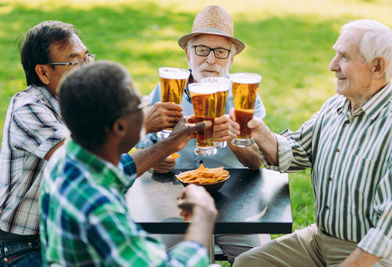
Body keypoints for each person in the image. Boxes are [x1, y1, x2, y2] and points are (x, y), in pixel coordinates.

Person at [234, 19, 392, 267]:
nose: (332, 66)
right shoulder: (335, 106)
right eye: (334, 54)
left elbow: (386, 231)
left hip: (373, 255)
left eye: (344, 57)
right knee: (249, 263)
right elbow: (298, 152)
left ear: (377, 67)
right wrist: (262, 135)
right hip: (319, 240)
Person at [39, 60, 217, 266]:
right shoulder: (99, 207)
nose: (146, 110)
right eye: (140, 105)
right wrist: (203, 218)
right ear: (120, 127)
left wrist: (172, 143)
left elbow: (123, 168)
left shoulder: (67, 158)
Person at [137, 4, 269, 263]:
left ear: (231, 59)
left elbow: (257, 162)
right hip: (175, 197)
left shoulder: (244, 96)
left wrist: (233, 137)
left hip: (234, 197)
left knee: (261, 258)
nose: (210, 60)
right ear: (188, 54)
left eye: (220, 52)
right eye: (202, 50)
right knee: (170, 257)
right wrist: (158, 162)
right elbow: (144, 149)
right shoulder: (166, 92)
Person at [0, 20, 89, 266]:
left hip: (63, 238)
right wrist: (140, 127)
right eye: (73, 62)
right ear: (43, 73)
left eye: (87, 58)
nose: (86, 68)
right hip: (21, 248)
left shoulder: (77, 101)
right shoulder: (28, 108)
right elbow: (80, 161)